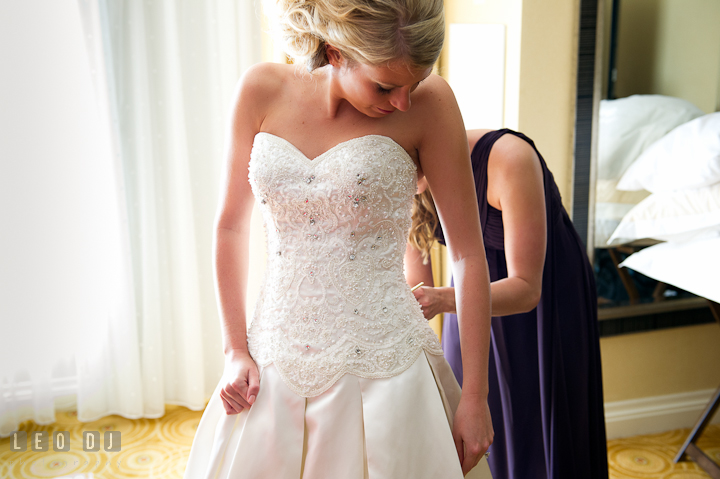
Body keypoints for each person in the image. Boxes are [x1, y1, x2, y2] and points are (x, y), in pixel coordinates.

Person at [183, 1, 495, 478]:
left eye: (413, 83)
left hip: (388, 368)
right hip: (273, 358)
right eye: (387, 86)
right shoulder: (260, 90)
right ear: (335, 53)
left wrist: (475, 396)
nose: (402, 102)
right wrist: (234, 351)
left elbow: (469, 256)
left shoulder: (432, 105)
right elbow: (230, 225)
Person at [406, 129, 609, 479]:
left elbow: (527, 289)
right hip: (466, 297)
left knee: (539, 424)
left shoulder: (509, 159)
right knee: (470, 419)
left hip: (545, 297)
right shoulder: (401, 175)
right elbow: (415, 283)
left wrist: (440, 299)